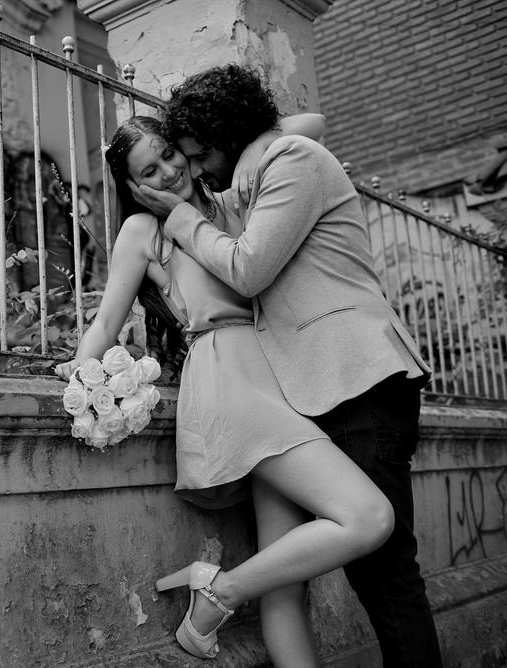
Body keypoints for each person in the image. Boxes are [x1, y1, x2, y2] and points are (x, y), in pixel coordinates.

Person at [56, 115, 397, 666]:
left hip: (284, 380)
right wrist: (82, 378)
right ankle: (222, 590)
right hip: (232, 383)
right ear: (132, 186)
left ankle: (218, 592)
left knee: (286, 585)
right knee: (368, 517)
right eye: (150, 169)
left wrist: (202, 130)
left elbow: (308, 125)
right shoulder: (145, 231)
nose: (169, 171)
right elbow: (105, 321)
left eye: (171, 152)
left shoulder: (237, 199)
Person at [136, 64, 441, 668]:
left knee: (386, 576)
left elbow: (248, 269)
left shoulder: (291, 160)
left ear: (229, 135)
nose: (193, 172)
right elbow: (301, 124)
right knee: (380, 576)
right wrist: (240, 151)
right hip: (324, 390)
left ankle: (219, 592)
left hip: (357, 377)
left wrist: (182, 215)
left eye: (199, 155)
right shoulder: (260, 167)